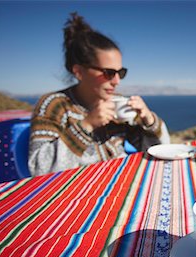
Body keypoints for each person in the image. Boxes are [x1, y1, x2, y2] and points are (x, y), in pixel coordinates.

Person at [29, 12, 170, 176]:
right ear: (79, 72)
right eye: (109, 73)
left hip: (122, 180)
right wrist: (87, 125)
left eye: (121, 72)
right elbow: (39, 169)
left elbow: (157, 150)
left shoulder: (117, 103)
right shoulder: (55, 105)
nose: (117, 81)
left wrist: (148, 120)